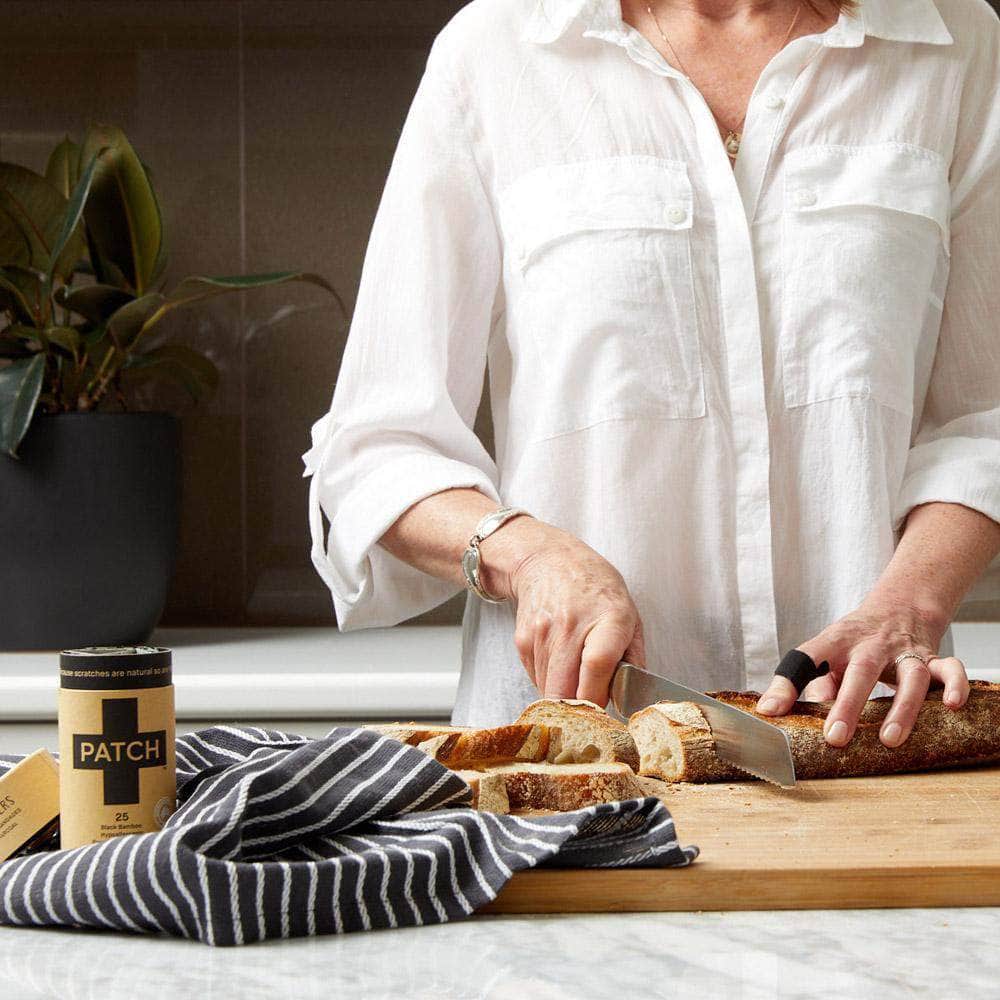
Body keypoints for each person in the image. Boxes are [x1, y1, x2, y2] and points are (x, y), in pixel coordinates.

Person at [303, 0, 1000, 749]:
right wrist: (528, 556)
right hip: (574, 746)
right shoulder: (496, 48)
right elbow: (379, 444)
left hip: (866, 733)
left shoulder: (957, 43)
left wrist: (911, 603)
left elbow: (984, 417)